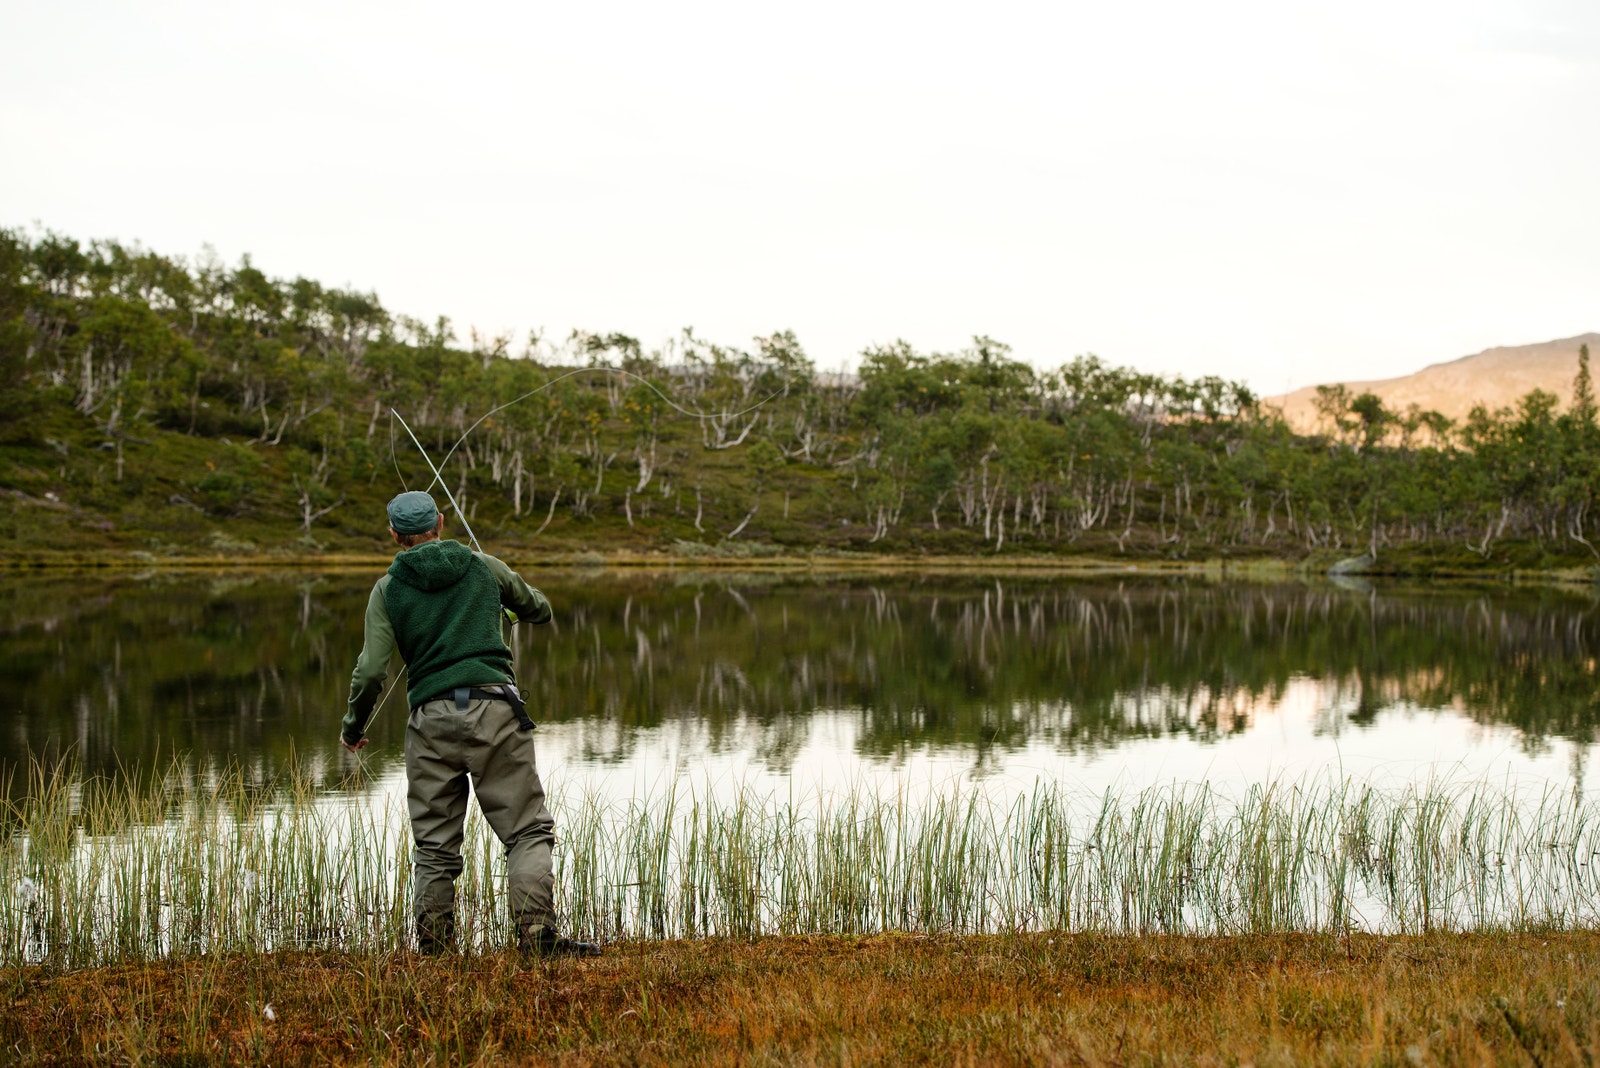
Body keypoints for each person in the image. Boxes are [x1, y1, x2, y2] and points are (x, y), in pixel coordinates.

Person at [342, 489, 599, 958]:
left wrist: (353, 727)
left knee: (435, 844)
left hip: (430, 721)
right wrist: (507, 605)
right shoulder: (484, 565)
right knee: (525, 830)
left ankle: (435, 949)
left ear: (394, 534)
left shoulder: (386, 590)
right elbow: (538, 609)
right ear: (440, 522)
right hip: (496, 710)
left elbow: (371, 670)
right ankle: (538, 936)